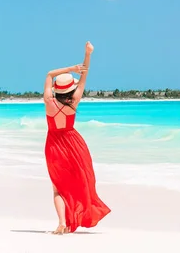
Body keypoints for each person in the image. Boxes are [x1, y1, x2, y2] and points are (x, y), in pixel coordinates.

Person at [43, 41, 111, 234]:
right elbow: (84, 75)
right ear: (71, 90)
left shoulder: (49, 102)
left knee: (58, 187)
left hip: (54, 144)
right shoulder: (74, 101)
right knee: (77, 181)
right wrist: (87, 54)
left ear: (56, 89)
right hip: (74, 144)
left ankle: (62, 222)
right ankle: (70, 219)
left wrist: (69, 68)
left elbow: (49, 74)